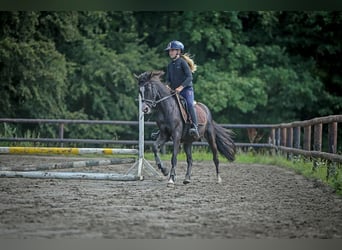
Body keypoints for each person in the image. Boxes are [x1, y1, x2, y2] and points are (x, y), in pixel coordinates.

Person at [165, 40, 200, 138]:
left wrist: (181, 87)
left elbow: (189, 77)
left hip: (186, 90)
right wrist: (167, 86)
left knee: (189, 104)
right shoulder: (170, 65)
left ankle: (195, 127)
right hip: (175, 91)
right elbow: (168, 79)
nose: (170, 52)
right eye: (169, 51)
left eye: (172, 50)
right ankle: (163, 129)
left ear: (178, 51)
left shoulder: (183, 62)